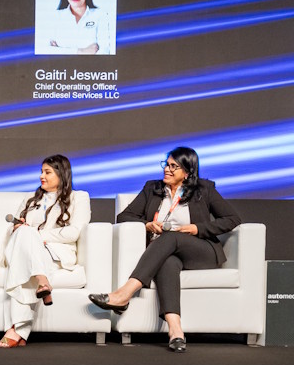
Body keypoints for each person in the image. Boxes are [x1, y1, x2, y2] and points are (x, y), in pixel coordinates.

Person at [89, 146, 241, 352]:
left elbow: (232, 218)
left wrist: (198, 228)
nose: (166, 170)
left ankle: (125, 293)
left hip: (201, 251)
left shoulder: (204, 189)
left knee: (170, 237)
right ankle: (176, 331)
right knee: (168, 262)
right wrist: (147, 225)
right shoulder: (152, 188)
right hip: (165, 252)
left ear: (187, 172)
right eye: (166, 165)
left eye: (173, 166)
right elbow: (123, 216)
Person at [0, 154, 90, 347]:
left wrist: (36, 235)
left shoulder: (78, 197)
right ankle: (42, 282)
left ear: (61, 174)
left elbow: (74, 232)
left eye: (47, 172)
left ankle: (17, 329)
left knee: (26, 246)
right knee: (24, 237)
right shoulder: (30, 198)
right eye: (41, 172)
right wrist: (16, 228)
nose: (41, 176)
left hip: (54, 253)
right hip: (26, 251)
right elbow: (15, 230)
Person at [39, 0, 111, 55]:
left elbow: (104, 51)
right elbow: (44, 50)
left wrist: (60, 50)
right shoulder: (55, 17)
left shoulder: (100, 15)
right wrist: (81, 51)